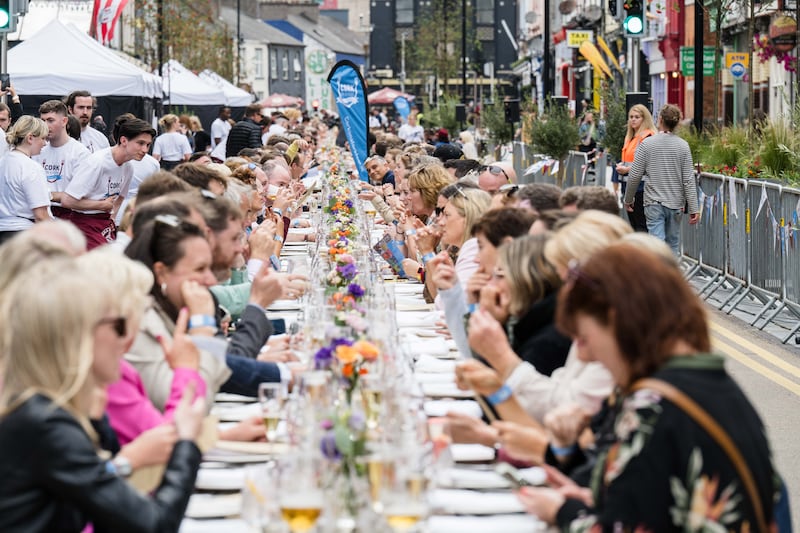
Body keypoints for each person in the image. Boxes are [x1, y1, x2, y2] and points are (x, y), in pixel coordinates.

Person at [517, 243, 779, 532]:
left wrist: (563, 511)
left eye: (583, 337)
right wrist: (593, 499)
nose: (582, 354)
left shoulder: (651, 406)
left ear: (617, 319)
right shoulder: (712, 386)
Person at [0, 257, 204, 532]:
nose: (127, 340)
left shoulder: (43, 409)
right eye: (119, 326)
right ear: (79, 336)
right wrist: (187, 445)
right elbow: (154, 525)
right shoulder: (45, 422)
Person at [61, 116, 156, 249]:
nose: (145, 150)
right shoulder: (97, 162)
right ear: (123, 140)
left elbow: (121, 196)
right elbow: (67, 200)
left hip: (104, 223)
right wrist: (100, 205)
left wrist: (112, 217)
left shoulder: (128, 167)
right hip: (82, 223)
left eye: (148, 145)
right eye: (140, 143)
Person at [624, 104, 699, 255]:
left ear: (660, 120)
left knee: (656, 245)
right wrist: (694, 207)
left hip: (653, 201)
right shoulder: (683, 146)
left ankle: (657, 276)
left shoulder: (647, 144)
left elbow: (635, 175)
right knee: (673, 245)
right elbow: (688, 180)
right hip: (676, 203)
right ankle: (671, 276)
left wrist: (628, 198)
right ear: (677, 123)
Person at [34, 100, 91, 219]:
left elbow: (79, 195)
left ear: (64, 121)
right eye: (42, 121)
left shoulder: (80, 153)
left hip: (69, 214)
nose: (45, 126)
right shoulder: (38, 149)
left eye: (50, 120)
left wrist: (47, 195)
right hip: (42, 211)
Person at [0, 116, 52, 244]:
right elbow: (41, 215)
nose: (45, 143)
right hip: (23, 234)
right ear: (30, 138)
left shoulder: (3, 161)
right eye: (43, 138)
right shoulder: (31, 167)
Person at [615, 104, 656, 232]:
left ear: (644, 119)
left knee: (641, 224)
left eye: (637, 117)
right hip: (629, 185)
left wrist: (627, 170)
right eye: (631, 117)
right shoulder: (631, 138)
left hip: (641, 187)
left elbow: (648, 163)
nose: (633, 119)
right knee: (634, 224)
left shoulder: (647, 137)